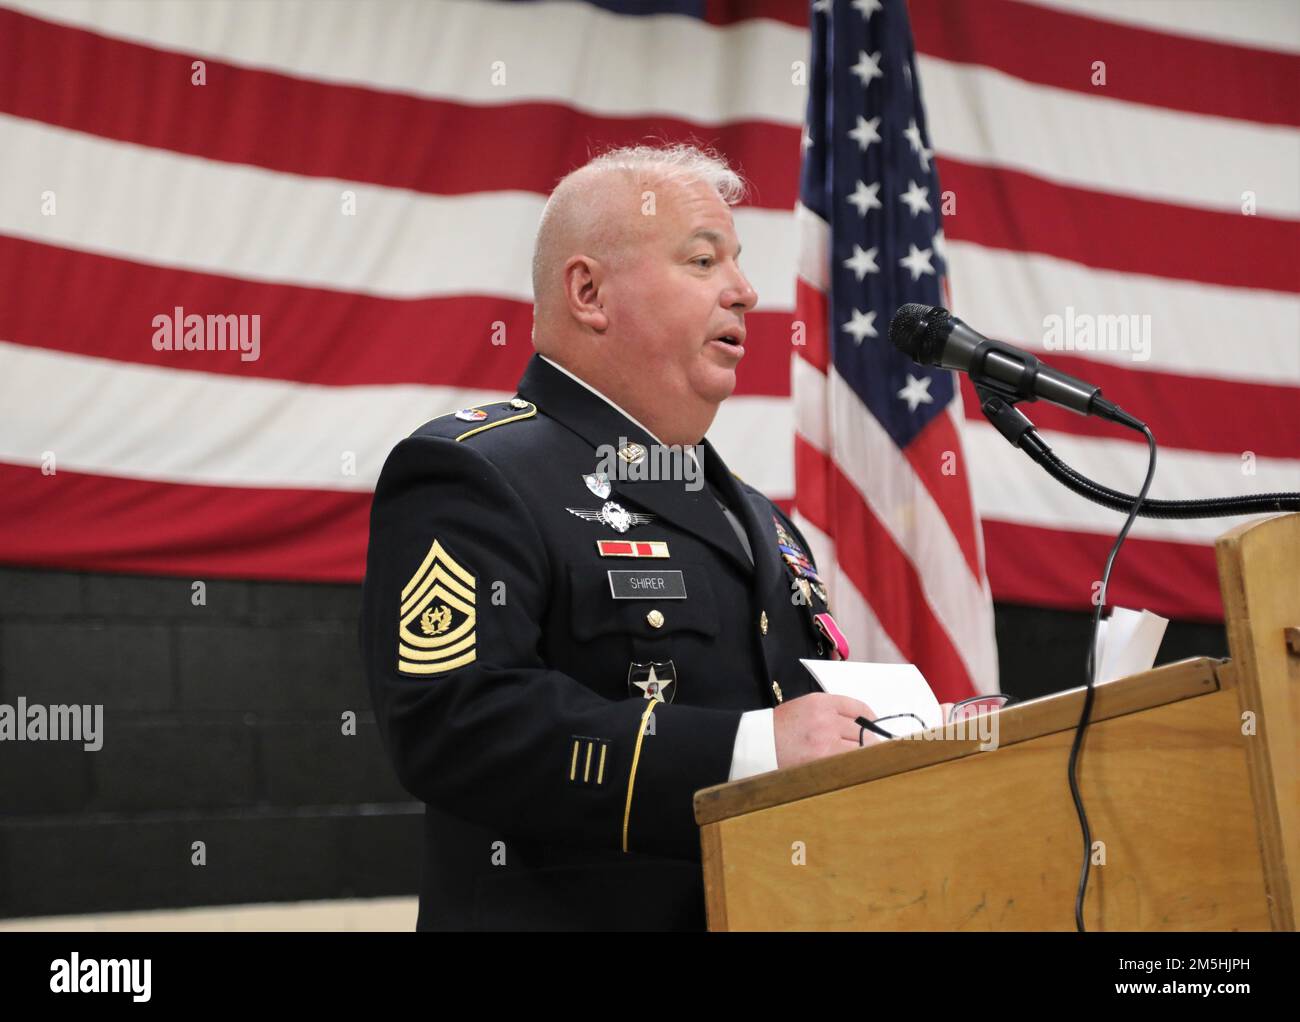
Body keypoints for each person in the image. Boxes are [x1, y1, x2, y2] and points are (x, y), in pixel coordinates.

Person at [361, 144, 881, 931]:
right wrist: (743, 750)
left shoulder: (766, 523)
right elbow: (458, 724)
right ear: (589, 292)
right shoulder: (475, 474)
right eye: (704, 261)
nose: (744, 292)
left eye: (737, 265)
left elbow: (808, 730)